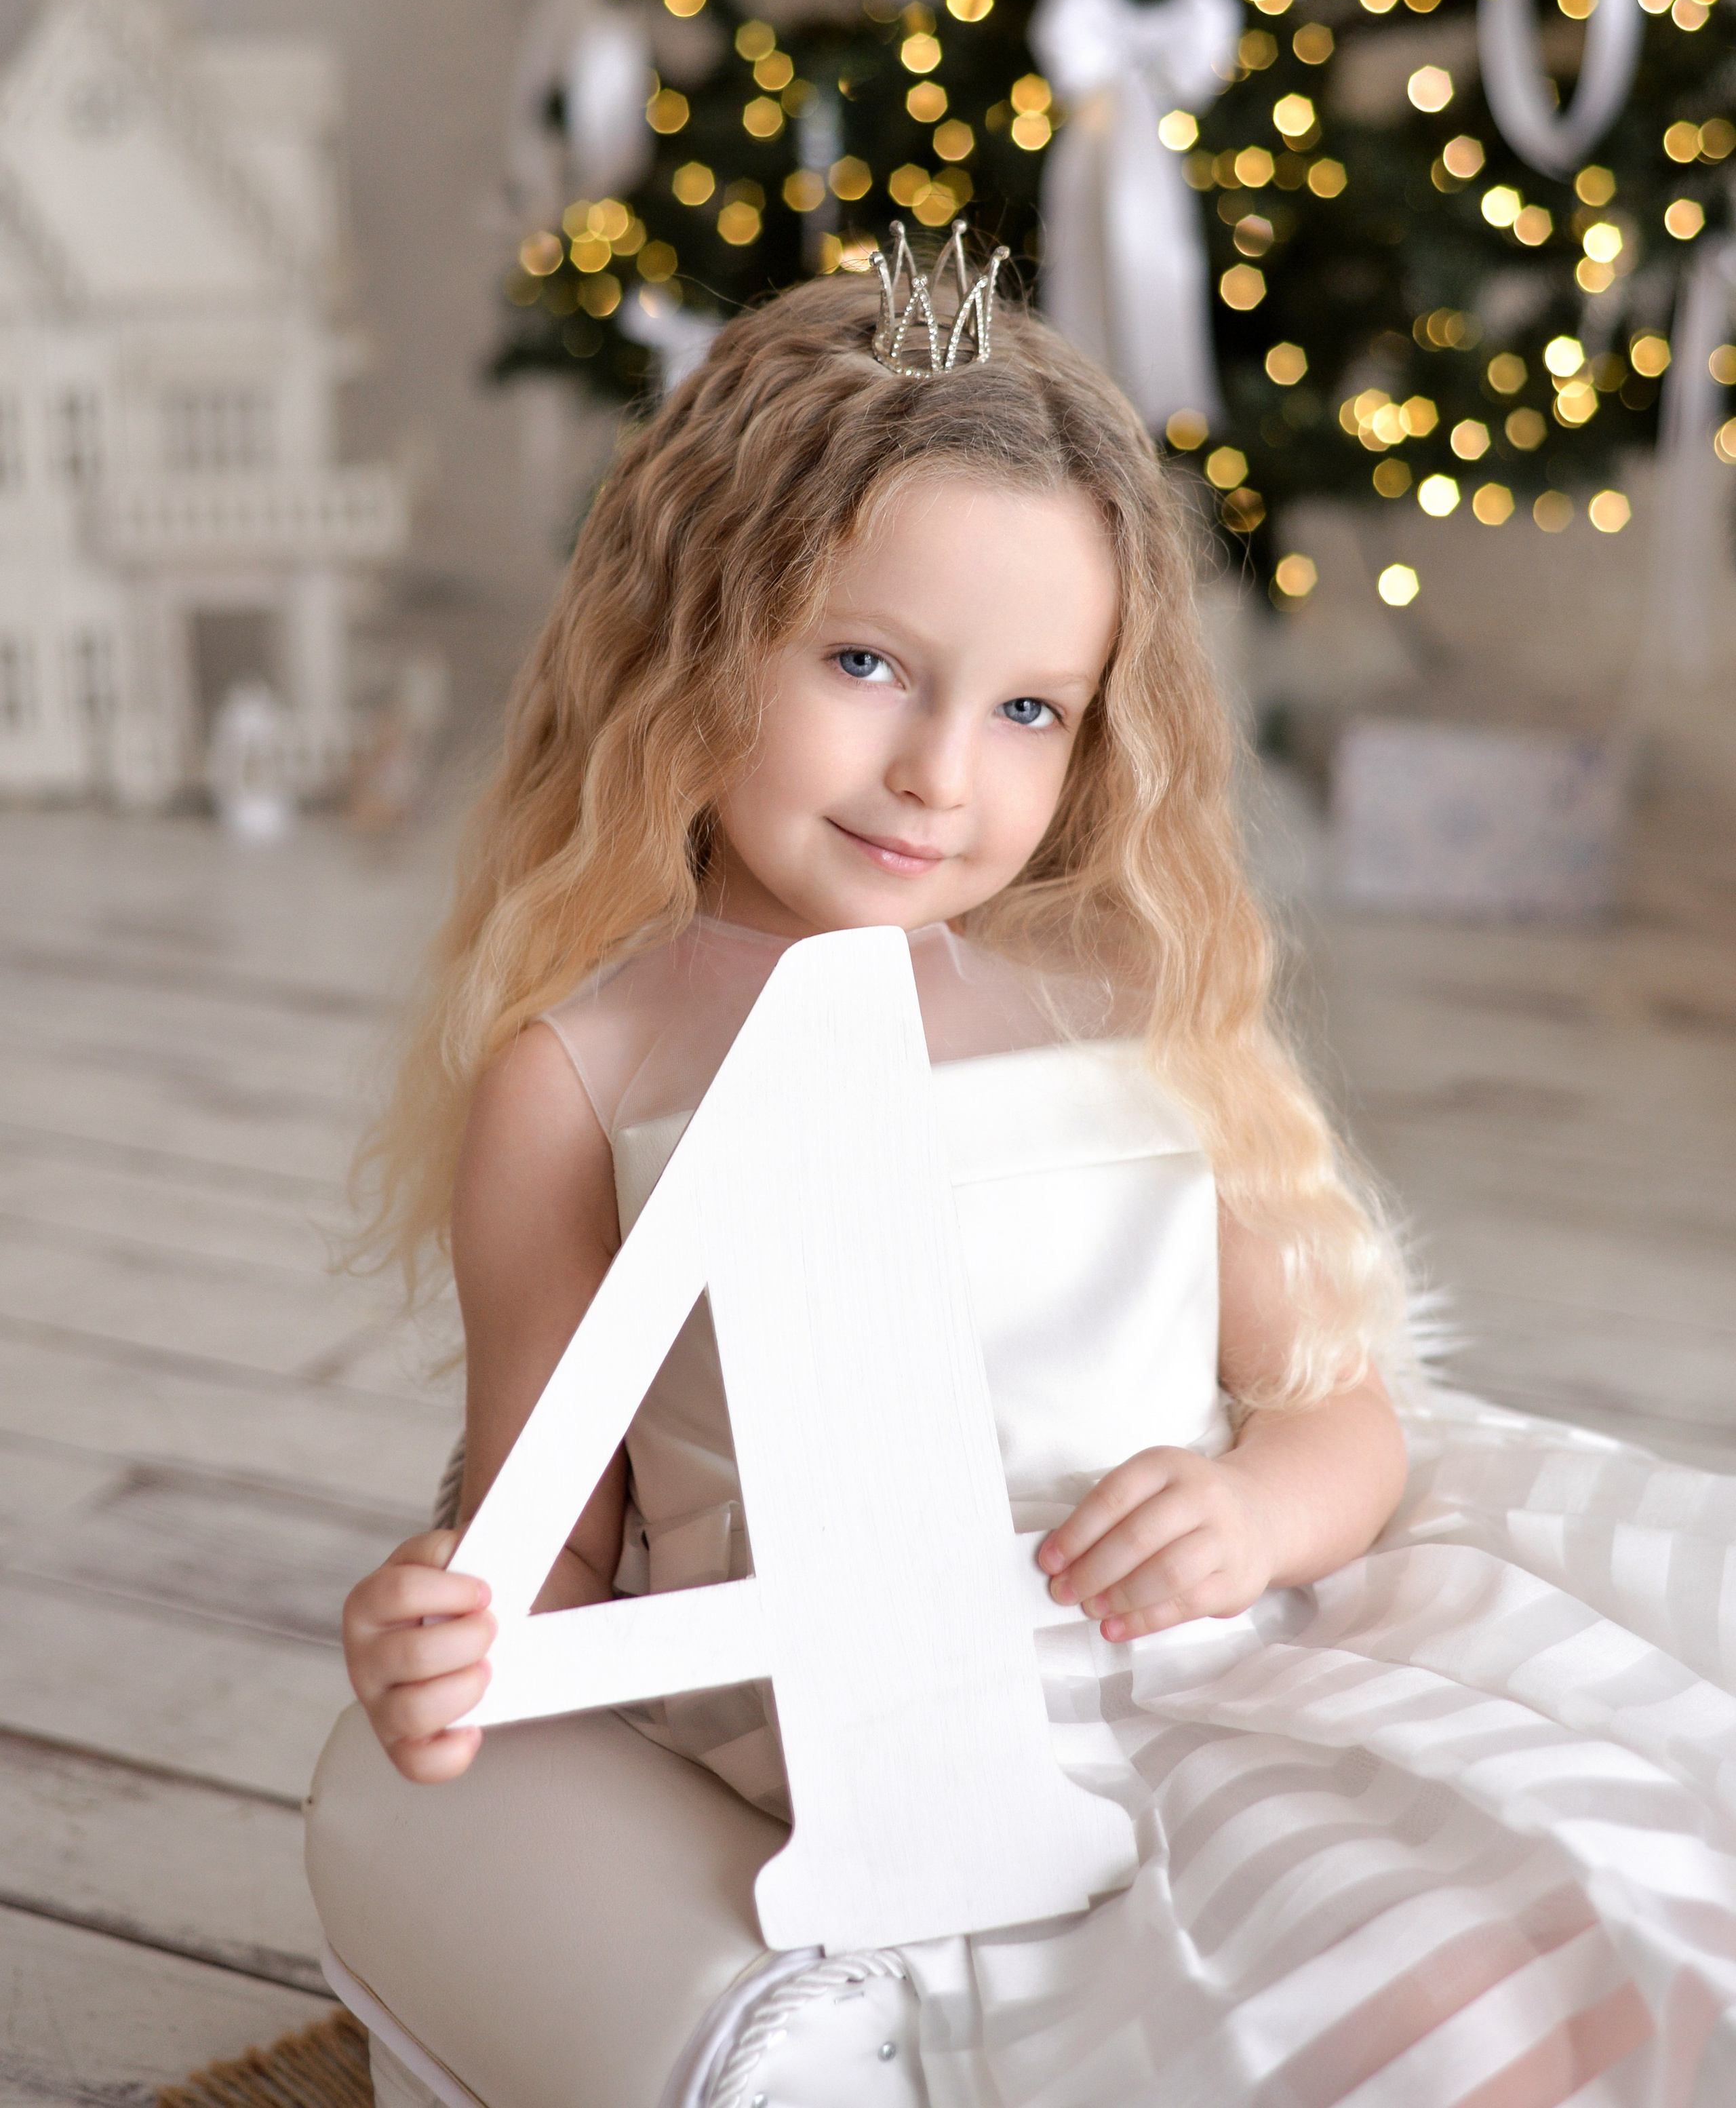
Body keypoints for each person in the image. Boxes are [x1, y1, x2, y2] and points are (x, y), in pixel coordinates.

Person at [330, 258, 1736, 2105]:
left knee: (1577, 1894)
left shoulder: (1126, 1000)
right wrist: (445, 1624)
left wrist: (1250, 1513)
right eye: (865, 665)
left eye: (1029, 712)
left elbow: (1341, 1416)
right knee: (1363, 1998)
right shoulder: (582, 1073)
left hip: (1212, 1648)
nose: (937, 774)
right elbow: (554, 1538)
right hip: (898, 1728)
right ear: (692, 636)